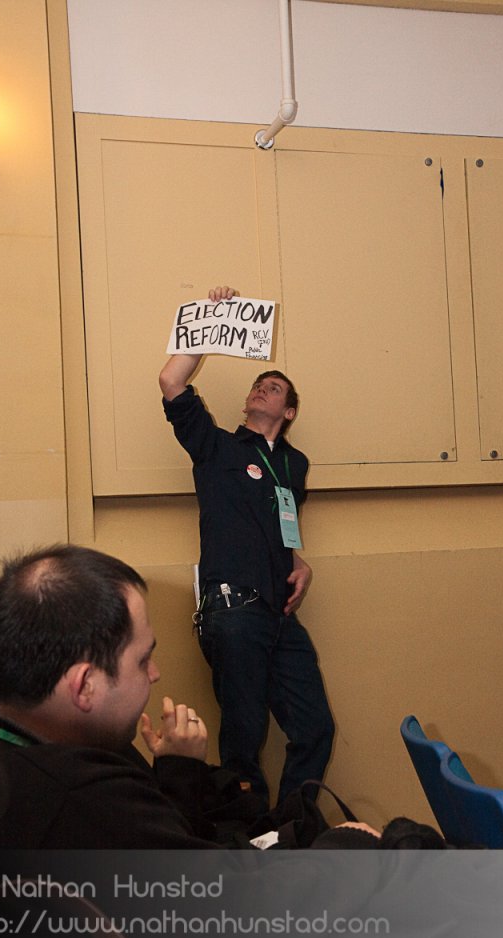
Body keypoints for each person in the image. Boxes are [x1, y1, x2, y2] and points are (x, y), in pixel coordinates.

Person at [0, 543, 373, 852]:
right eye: (142, 660)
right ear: (84, 686)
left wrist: (177, 769)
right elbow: (235, 908)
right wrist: (354, 848)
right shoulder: (82, 798)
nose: (155, 674)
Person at [159, 285, 334, 805]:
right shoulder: (216, 447)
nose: (263, 388)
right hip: (232, 612)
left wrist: (299, 561)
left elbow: (279, 524)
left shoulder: (294, 464)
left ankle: (294, 829)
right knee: (243, 741)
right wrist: (211, 320)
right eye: (259, 383)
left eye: (274, 387)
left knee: (315, 727)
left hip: (280, 614)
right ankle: (255, 842)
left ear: (290, 411)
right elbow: (171, 379)